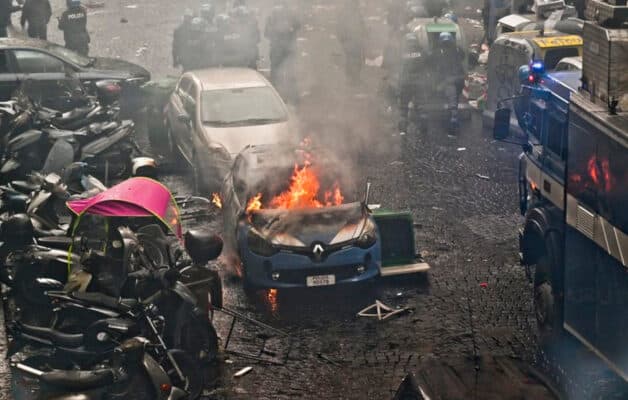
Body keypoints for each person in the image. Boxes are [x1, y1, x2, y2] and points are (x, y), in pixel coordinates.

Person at [264, 0, 300, 102]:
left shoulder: (272, 15)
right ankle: (294, 97)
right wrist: (290, 32)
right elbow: (298, 26)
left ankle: (275, 98)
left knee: (276, 73)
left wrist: (275, 35)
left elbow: (266, 33)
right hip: (288, 48)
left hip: (277, 49)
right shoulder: (291, 13)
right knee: (290, 72)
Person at [432, 32, 465, 134]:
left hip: (447, 81)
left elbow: (431, 62)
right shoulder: (458, 50)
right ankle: (453, 117)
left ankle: (453, 121)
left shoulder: (438, 53)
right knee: (454, 98)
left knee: (452, 99)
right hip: (459, 79)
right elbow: (463, 56)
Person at [398, 33, 428, 135]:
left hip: (406, 82)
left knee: (403, 107)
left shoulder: (402, 53)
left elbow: (397, 67)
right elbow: (427, 63)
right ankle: (423, 129)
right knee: (421, 107)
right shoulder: (421, 52)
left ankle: (402, 130)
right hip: (419, 82)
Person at [337, 0, 366, 85]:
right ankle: (351, 78)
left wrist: (364, 33)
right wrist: (343, 39)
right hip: (349, 40)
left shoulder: (357, 13)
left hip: (356, 40)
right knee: (351, 59)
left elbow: (362, 24)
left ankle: (355, 78)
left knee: (356, 59)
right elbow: (340, 27)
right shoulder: (345, 14)